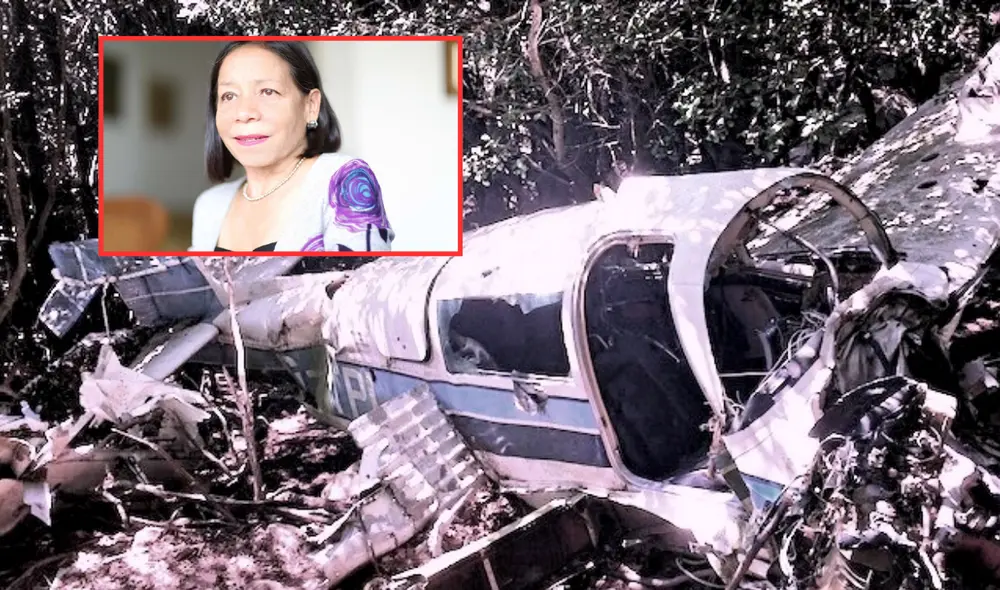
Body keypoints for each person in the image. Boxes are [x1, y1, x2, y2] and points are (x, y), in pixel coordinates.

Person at [189, 41, 394, 252]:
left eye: (268, 92)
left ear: (311, 106)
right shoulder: (210, 205)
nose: (243, 113)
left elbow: (366, 273)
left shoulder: (342, 181)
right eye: (229, 96)